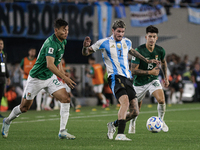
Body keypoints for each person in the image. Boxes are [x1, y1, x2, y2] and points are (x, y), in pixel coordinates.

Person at [82, 20, 158, 141]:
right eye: (118, 31)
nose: (120, 34)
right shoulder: (104, 42)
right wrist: (85, 47)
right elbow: (86, 53)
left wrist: (146, 60)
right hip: (114, 77)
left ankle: (113, 125)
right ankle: (120, 134)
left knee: (135, 112)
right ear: (113, 30)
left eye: (122, 32)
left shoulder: (127, 42)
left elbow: (132, 51)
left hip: (127, 78)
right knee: (125, 102)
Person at [1, 18, 76, 139]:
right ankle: (8, 120)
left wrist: (62, 73)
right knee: (24, 108)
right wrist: (64, 78)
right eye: (63, 30)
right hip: (36, 78)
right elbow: (50, 64)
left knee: (66, 98)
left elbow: (58, 59)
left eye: (67, 30)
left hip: (49, 77)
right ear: (56, 30)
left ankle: (62, 131)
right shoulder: (50, 43)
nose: (66, 32)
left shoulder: (63, 41)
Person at [128, 25, 169, 134]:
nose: (151, 38)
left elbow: (164, 63)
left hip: (153, 80)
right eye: (149, 36)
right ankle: (132, 124)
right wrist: (150, 72)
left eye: (154, 36)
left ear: (157, 38)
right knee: (136, 109)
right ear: (146, 37)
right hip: (139, 83)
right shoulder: (138, 51)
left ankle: (161, 121)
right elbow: (133, 70)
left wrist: (166, 77)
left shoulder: (160, 50)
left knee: (161, 100)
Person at [0, 39, 10, 117]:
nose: (1, 45)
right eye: (0, 44)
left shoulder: (4, 55)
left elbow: (5, 66)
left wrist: (8, 77)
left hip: (2, 78)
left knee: (1, 95)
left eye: (2, 44)